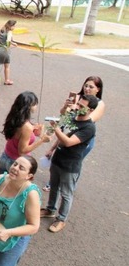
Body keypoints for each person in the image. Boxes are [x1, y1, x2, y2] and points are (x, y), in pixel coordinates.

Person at [41, 95, 98, 233]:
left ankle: (61, 219)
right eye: (78, 104)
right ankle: (50, 209)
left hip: (70, 165)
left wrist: (56, 130)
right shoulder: (72, 116)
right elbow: (62, 131)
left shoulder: (89, 128)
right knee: (54, 187)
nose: (77, 107)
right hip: (58, 159)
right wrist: (52, 149)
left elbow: (68, 141)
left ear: (90, 110)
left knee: (66, 194)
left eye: (82, 106)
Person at [42, 76, 105, 192]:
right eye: (86, 85)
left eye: (91, 87)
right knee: (60, 155)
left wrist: (75, 110)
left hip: (83, 136)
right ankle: (52, 183)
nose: (87, 89)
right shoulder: (78, 97)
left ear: (98, 89)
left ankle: (69, 186)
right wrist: (66, 106)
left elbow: (87, 120)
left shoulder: (99, 104)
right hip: (69, 129)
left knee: (74, 162)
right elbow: (63, 114)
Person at [0, 91, 51, 174]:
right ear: (29, 106)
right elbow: (22, 151)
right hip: (16, 163)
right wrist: (42, 140)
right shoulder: (27, 127)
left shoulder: (14, 117)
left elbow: (18, 135)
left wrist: (33, 131)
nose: (36, 106)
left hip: (5, 157)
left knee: (1, 184)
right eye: (35, 104)